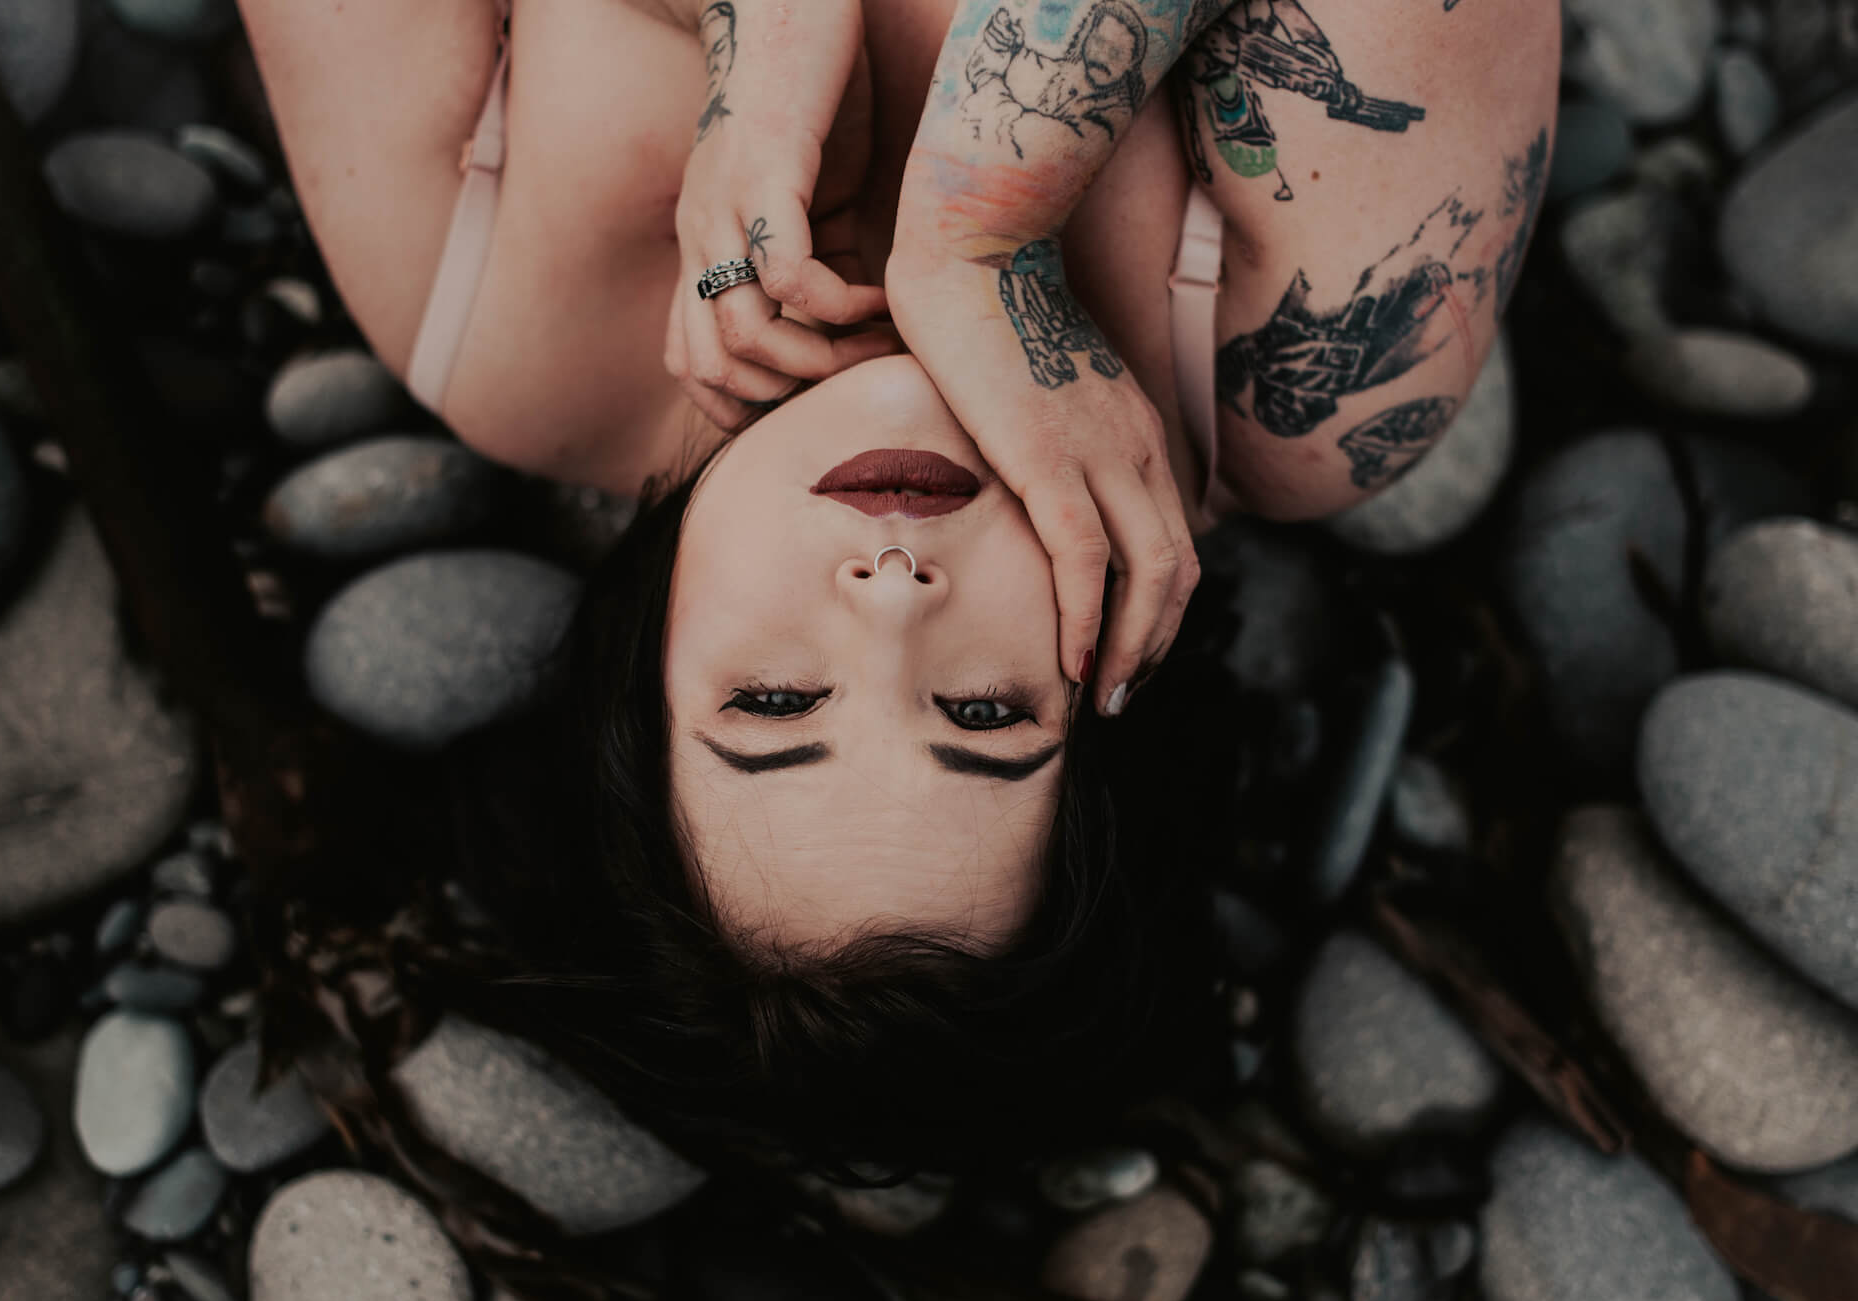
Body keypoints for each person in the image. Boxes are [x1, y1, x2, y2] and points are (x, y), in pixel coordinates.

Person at [238, 0, 1558, 1174]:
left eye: (770, 697)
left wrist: (758, 41)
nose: (887, 598)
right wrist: (985, 225)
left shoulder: (487, 303)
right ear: (1127, 673)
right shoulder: (1298, 385)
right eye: (983, 715)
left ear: (634, 674)